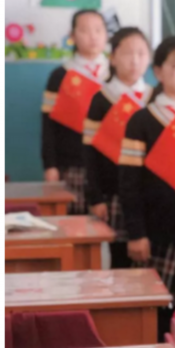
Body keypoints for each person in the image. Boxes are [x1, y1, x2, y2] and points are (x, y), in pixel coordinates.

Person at [119, 36, 175, 340]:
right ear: (158, 72)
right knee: (156, 313)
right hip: (155, 233)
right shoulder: (142, 120)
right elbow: (129, 182)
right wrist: (136, 232)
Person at [83, 27, 152, 268]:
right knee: (121, 260)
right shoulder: (102, 98)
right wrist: (96, 196)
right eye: (127, 53)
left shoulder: (153, 98)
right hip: (114, 192)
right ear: (112, 58)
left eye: (141, 53)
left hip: (149, 193)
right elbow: (90, 153)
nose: (135, 60)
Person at [41, 9, 109, 214]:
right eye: (85, 30)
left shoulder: (114, 74)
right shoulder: (60, 75)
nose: (93, 36)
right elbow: (48, 125)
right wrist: (50, 165)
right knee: (73, 223)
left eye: (98, 30)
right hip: (72, 165)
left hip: (110, 165)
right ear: (72, 35)